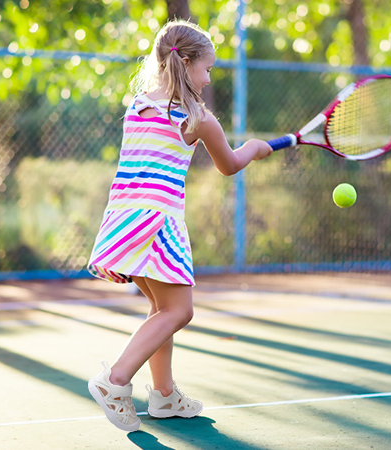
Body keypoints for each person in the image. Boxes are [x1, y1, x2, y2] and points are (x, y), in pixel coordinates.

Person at [86, 19, 272, 432]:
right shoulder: (197, 118)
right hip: (157, 222)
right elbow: (229, 164)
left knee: (161, 309)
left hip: (124, 218)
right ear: (185, 64)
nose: (208, 79)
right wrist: (255, 148)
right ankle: (114, 380)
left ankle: (164, 395)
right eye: (206, 69)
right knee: (179, 310)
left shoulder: (137, 105)